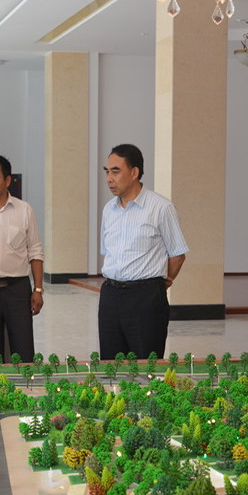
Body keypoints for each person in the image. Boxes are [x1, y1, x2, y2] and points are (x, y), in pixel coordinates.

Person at [98, 144, 188, 360]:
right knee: (111, 365)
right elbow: (107, 251)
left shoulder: (161, 208)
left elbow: (177, 254)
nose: (109, 178)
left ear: (134, 172)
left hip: (145, 298)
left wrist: (161, 283)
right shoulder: (109, 210)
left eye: (115, 171)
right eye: (107, 172)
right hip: (111, 296)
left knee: (146, 364)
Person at [0, 154, 44, 363]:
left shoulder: (24, 210)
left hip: (17, 290)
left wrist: (38, 289)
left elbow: (35, 251)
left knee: (23, 348)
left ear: (7, 180)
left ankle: (25, 383)